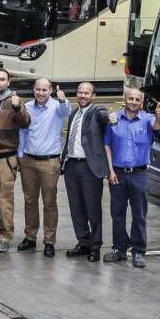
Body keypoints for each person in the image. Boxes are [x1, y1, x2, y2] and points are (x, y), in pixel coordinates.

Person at [103, 88, 160, 268]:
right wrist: (110, 170)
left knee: (139, 214)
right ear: (125, 100)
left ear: (142, 103)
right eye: (131, 98)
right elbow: (107, 145)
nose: (134, 101)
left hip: (139, 174)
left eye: (137, 99)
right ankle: (119, 248)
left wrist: (159, 117)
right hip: (118, 173)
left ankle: (138, 251)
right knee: (117, 213)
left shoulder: (147, 119)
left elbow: (157, 127)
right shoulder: (114, 119)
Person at [17, 78, 70, 258]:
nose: (41, 93)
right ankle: (30, 237)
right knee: (30, 200)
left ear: (51, 90)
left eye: (44, 90)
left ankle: (49, 240)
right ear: (33, 89)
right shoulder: (27, 107)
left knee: (49, 202)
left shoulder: (58, 107)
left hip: (49, 162)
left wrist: (63, 99)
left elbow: (66, 111)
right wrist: (20, 156)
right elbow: (23, 131)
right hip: (28, 161)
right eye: (38, 89)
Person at [61, 83, 109, 262]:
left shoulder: (97, 112)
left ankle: (95, 246)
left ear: (94, 96)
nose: (82, 95)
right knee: (76, 208)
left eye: (86, 93)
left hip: (89, 168)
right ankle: (83, 242)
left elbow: (103, 115)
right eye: (80, 92)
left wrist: (110, 117)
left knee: (93, 208)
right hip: (72, 165)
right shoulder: (74, 113)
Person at [0, 68, 30, 253]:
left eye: (1, 79)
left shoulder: (15, 101)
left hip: (4, 158)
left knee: (4, 200)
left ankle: (5, 235)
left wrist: (18, 107)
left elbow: (26, 122)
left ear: (8, 82)